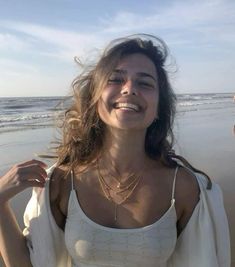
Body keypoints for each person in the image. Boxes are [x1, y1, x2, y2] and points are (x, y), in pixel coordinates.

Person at [0, 34, 230, 267]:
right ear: (95, 97)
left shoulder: (184, 187)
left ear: (159, 107)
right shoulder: (61, 181)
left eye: (145, 83)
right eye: (116, 79)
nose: (129, 89)